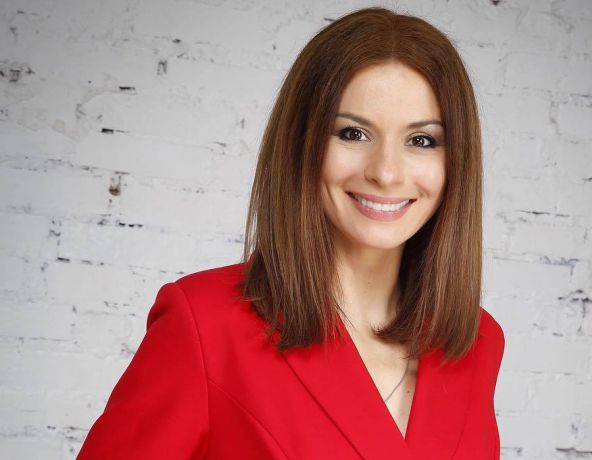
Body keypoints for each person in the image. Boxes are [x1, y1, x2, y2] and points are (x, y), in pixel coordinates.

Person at [77, 6, 504, 460]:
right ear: (303, 142)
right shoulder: (205, 325)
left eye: (421, 140)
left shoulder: (477, 343)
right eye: (353, 133)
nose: (386, 172)